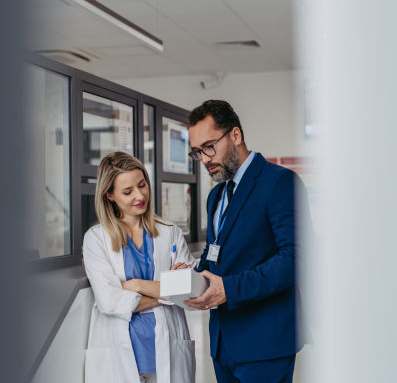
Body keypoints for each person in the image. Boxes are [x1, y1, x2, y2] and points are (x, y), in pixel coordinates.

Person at [184, 100, 315, 383]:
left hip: (265, 343)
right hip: (223, 343)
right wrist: (192, 275)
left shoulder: (279, 182)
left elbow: (296, 257)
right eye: (197, 152)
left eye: (209, 146)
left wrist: (229, 289)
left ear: (235, 135)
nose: (205, 159)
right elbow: (215, 254)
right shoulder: (215, 196)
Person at [83, 152, 198, 383]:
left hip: (167, 348)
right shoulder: (96, 239)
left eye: (142, 185)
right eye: (127, 192)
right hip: (120, 352)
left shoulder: (170, 232)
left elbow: (191, 293)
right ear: (110, 195)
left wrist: (135, 285)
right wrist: (168, 291)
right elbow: (109, 301)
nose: (140, 195)